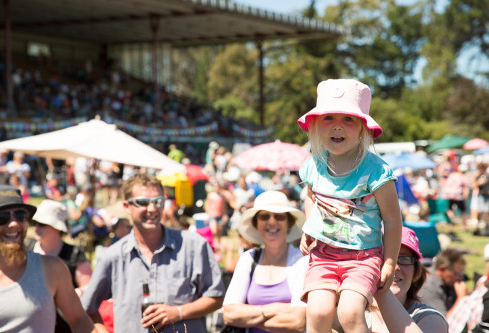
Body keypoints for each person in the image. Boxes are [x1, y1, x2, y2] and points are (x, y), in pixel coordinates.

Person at [296, 78, 402, 333]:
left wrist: (389, 262)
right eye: (329, 118)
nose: (337, 127)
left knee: (350, 313)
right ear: (316, 125)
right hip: (323, 254)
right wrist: (309, 228)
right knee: (317, 312)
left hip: (363, 257)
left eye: (348, 119)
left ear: (364, 128)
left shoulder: (376, 171)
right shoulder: (314, 165)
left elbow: (392, 219)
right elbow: (311, 197)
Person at [81, 173, 225, 333]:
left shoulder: (193, 246)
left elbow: (216, 297)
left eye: (158, 202)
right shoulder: (113, 256)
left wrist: (178, 312)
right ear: (126, 206)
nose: (152, 209)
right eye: (142, 202)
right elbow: (87, 309)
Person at [0, 185, 103, 332]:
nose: (14, 223)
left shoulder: (52, 268)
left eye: (20, 215)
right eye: (1, 218)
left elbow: (80, 320)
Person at [333, 226, 448, 332]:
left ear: (416, 271)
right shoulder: (347, 310)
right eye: (384, 257)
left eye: (404, 259)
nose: (395, 267)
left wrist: (381, 287)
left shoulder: (429, 318)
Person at [223, 190, 308, 333]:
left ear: (289, 222)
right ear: (256, 223)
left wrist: (248, 319)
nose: (272, 222)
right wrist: (272, 310)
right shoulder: (248, 259)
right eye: (264, 216)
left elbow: (298, 321)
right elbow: (229, 314)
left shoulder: (301, 261)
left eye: (279, 216)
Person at [25, 199, 94, 333]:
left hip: (65, 323)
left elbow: (90, 287)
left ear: (57, 227)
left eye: (42, 224)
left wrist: (72, 293)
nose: (36, 228)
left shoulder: (73, 254)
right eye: (34, 223)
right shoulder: (26, 249)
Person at [418, 247, 468, 317]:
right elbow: (441, 321)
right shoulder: (427, 285)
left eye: (462, 274)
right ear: (442, 269)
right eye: (457, 273)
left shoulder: (449, 281)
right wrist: (461, 299)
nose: (460, 278)